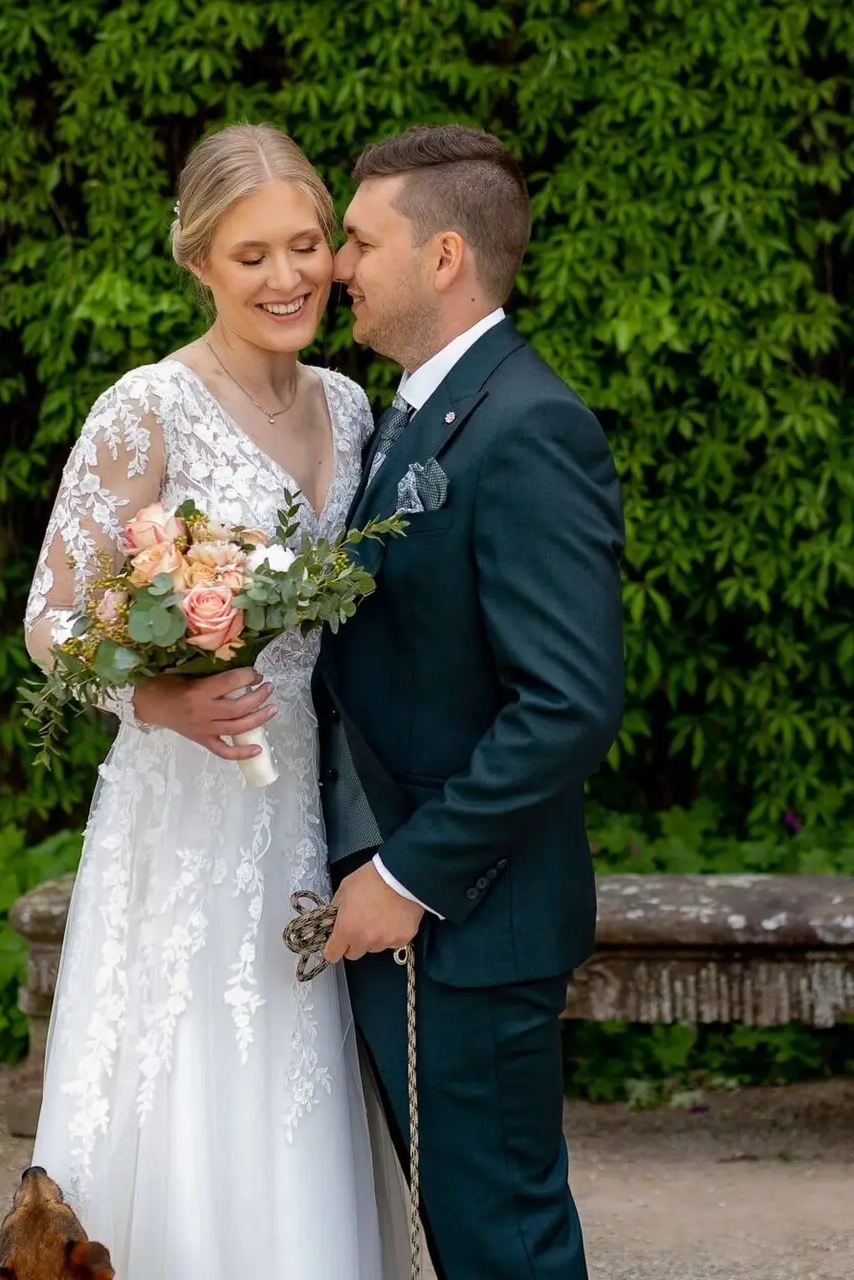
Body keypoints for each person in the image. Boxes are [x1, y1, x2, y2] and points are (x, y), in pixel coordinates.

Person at [22, 123, 401, 1277]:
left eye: (305, 245)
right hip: (182, 810)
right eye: (252, 256)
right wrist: (161, 700)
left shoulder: (348, 406)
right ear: (198, 261)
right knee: (180, 1070)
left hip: (309, 806)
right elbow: (53, 617)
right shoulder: (147, 408)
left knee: (296, 1074)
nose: (288, 278)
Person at [314, 124, 627, 1279]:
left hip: (470, 918)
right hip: (408, 909)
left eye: (359, 239)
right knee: (461, 1232)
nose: (338, 265)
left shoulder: (530, 426)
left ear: (444, 256)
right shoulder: (411, 412)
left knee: (504, 1242)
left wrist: (410, 874)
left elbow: (569, 700)